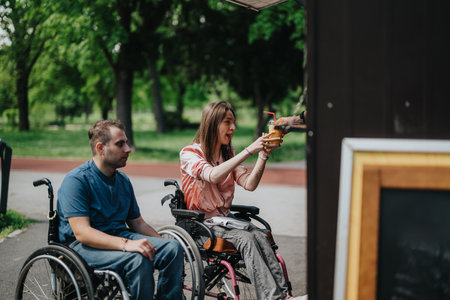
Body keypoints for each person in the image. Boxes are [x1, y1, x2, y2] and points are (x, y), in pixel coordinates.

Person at [179, 101, 301, 300]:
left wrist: (262, 156)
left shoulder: (227, 153)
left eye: (233, 122)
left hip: (224, 221)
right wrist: (249, 151)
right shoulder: (190, 153)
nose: (233, 128)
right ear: (212, 124)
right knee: (246, 239)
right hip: (200, 224)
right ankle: (273, 298)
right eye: (228, 122)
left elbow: (249, 184)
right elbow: (212, 175)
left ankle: (283, 295)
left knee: (260, 234)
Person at [57, 119, 184, 300]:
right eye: (120, 144)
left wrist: (160, 244)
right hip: (83, 246)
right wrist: (128, 245)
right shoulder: (77, 181)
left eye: (126, 142)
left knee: (173, 248)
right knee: (137, 259)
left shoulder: (123, 181)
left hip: (119, 236)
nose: (128, 149)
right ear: (101, 148)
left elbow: (137, 223)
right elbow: (82, 233)